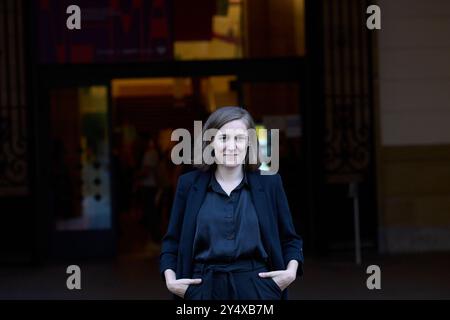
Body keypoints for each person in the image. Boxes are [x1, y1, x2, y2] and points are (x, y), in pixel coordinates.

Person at [160, 106, 304, 300]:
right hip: (202, 289)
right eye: (223, 138)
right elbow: (172, 241)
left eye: (239, 138)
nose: (231, 146)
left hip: (259, 289)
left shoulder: (270, 183)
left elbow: (290, 239)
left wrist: (290, 272)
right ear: (210, 142)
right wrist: (171, 280)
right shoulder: (188, 185)